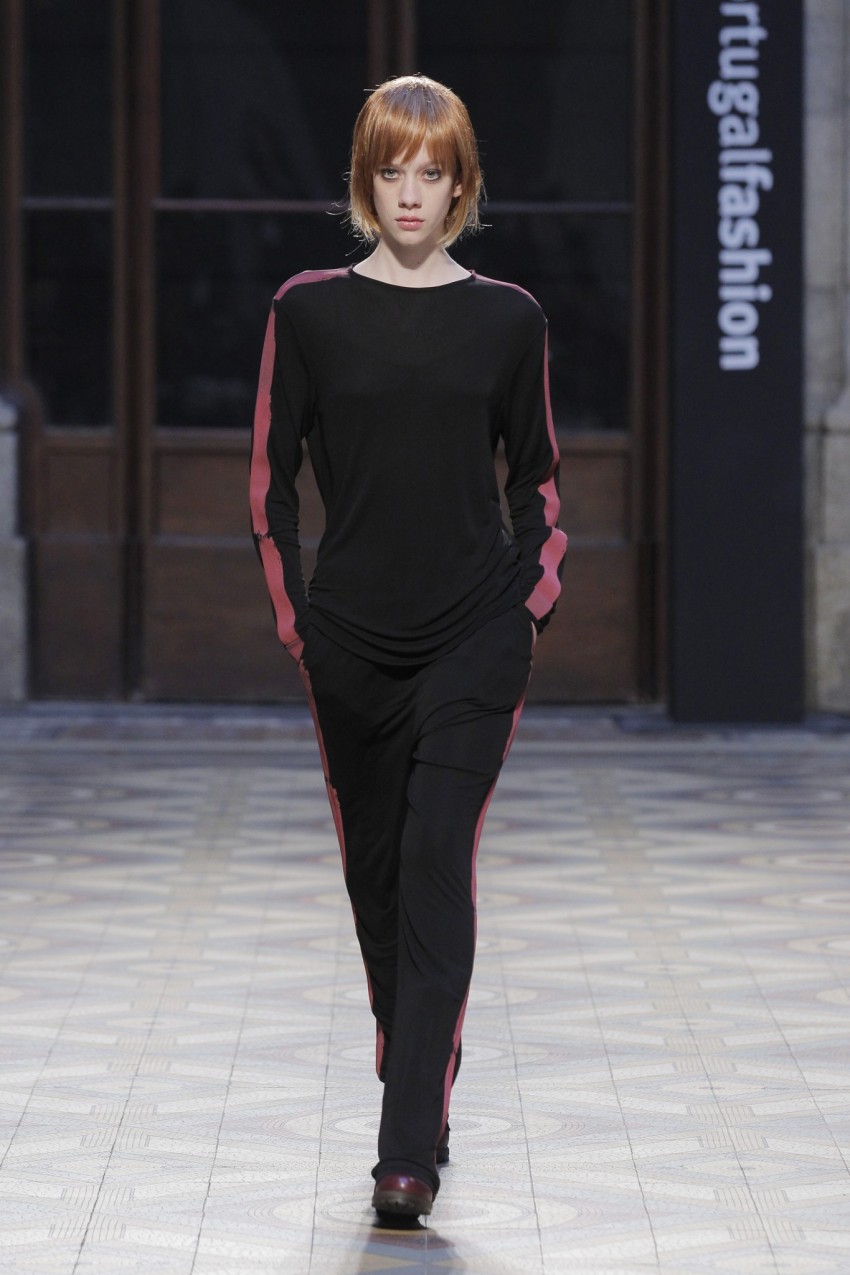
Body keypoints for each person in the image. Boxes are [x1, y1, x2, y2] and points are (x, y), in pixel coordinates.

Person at [249, 74, 566, 1219]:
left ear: (462, 184)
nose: (412, 193)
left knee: (435, 857)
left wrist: (526, 608)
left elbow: (537, 485)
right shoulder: (306, 313)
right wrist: (299, 624)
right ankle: (418, 1053)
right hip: (350, 645)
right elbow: (268, 483)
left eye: (432, 172)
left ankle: (405, 1155)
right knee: (376, 881)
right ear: (364, 182)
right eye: (392, 171)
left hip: (474, 635)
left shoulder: (509, 319)